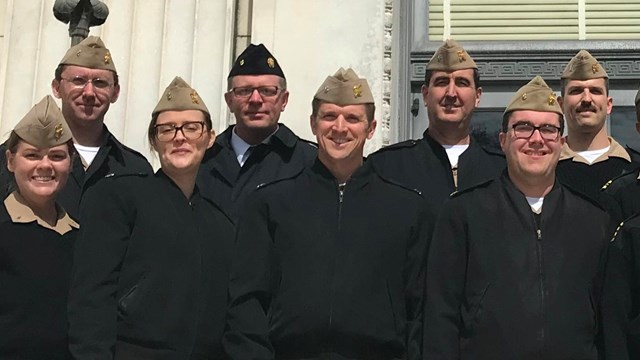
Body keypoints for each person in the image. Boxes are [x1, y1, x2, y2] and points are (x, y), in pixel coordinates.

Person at [224, 68, 433, 359]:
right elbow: (247, 302)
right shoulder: (271, 203)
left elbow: (420, 310)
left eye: (352, 118)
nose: (339, 127)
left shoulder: (407, 209)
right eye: (329, 116)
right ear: (313, 123)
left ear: (370, 128)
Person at [424, 76, 611, 359]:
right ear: (503, 140)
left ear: (561, 142)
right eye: (523, 128)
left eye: (548, 129)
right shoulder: (464, 214)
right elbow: (440, 318)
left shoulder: (592, 220)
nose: (536, 139)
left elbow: (607, 323)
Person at [68, 77, 234, 359]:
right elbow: (92, 295)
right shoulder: (121, 197)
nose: (179, 137)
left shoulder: (221, 223)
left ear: (210, 137)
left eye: (191, 128)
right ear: (155, 141)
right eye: (167, 130)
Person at [0, 36, 152, 218]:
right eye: (79, 81)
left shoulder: (135, 169)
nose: (89, 92)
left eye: (100, 83)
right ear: (57, 87)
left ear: (115, 92)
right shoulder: (12, 158)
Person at [368, 39, 505, 212]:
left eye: (462, 83)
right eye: (442, 82)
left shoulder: (502, 170)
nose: (451, 93)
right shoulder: (388, 167)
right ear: (425, 95)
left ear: (477, 96)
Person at [197, 43, 316, 221]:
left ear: (284, 100)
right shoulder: (202, 159)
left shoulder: (310, 162)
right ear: (229, 101)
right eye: (244, 91)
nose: (255, 100)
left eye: (267, 91)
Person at [0, 95, 78, 359]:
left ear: (71, 163)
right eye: (32, 155)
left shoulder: (79, 237)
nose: (45, 165)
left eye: (57, 156)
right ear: (11, 161)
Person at [556, 50, 636, 201]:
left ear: (609, 104)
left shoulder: (634, 167)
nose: (587, 99)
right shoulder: (544, 170)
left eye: (595, 91)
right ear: (561, 105)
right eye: (576, 91)